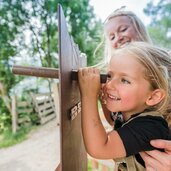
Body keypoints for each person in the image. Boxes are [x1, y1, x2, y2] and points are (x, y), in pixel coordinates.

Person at [96, 8, 171, 170]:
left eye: (123, 29)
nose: (118, 37)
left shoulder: (166, 66)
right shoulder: (118, 83)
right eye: (112, 37)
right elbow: (119, 120)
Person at [78, 41, 171, 171]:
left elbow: (99, 148)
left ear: (152, 97)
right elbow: (112, 119)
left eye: (125, 80)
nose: (109, 85)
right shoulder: (130, 113)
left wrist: (88, 96)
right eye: (110, 76)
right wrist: (100, 94)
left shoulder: (150, 127)